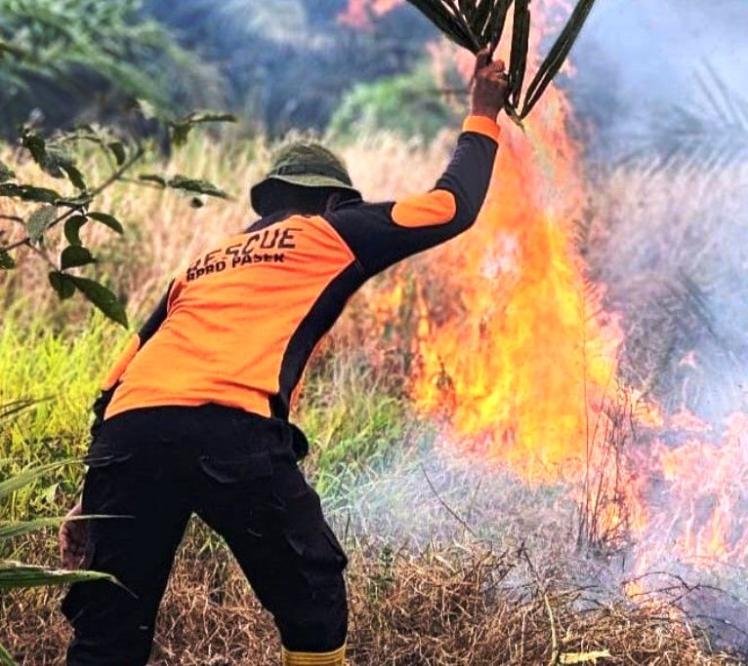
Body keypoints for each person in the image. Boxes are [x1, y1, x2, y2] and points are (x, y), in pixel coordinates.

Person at [58, 48, 509, 666]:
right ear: (332, 201)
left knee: (109, 623)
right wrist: (484, 111)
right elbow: (452, 206)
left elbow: (116, 378)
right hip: (229, 431)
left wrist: (92, 498)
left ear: (268, 200)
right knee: (311, 594)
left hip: (129, 434)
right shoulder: (331, 231)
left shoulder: (203, 263)